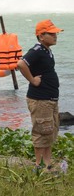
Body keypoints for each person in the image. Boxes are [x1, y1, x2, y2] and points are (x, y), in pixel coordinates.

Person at [16, 19, 63, 169]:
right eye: (52, 34)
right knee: (41, 131)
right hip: (40, 99)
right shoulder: (36, 50)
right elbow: (21, 64)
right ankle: (39, 164)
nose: (55, 36)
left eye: (55, 33)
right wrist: (32, 80)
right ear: (41, 36)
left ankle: (47, 164)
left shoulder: (47, 51)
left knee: (50, 131)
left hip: (50, 99)